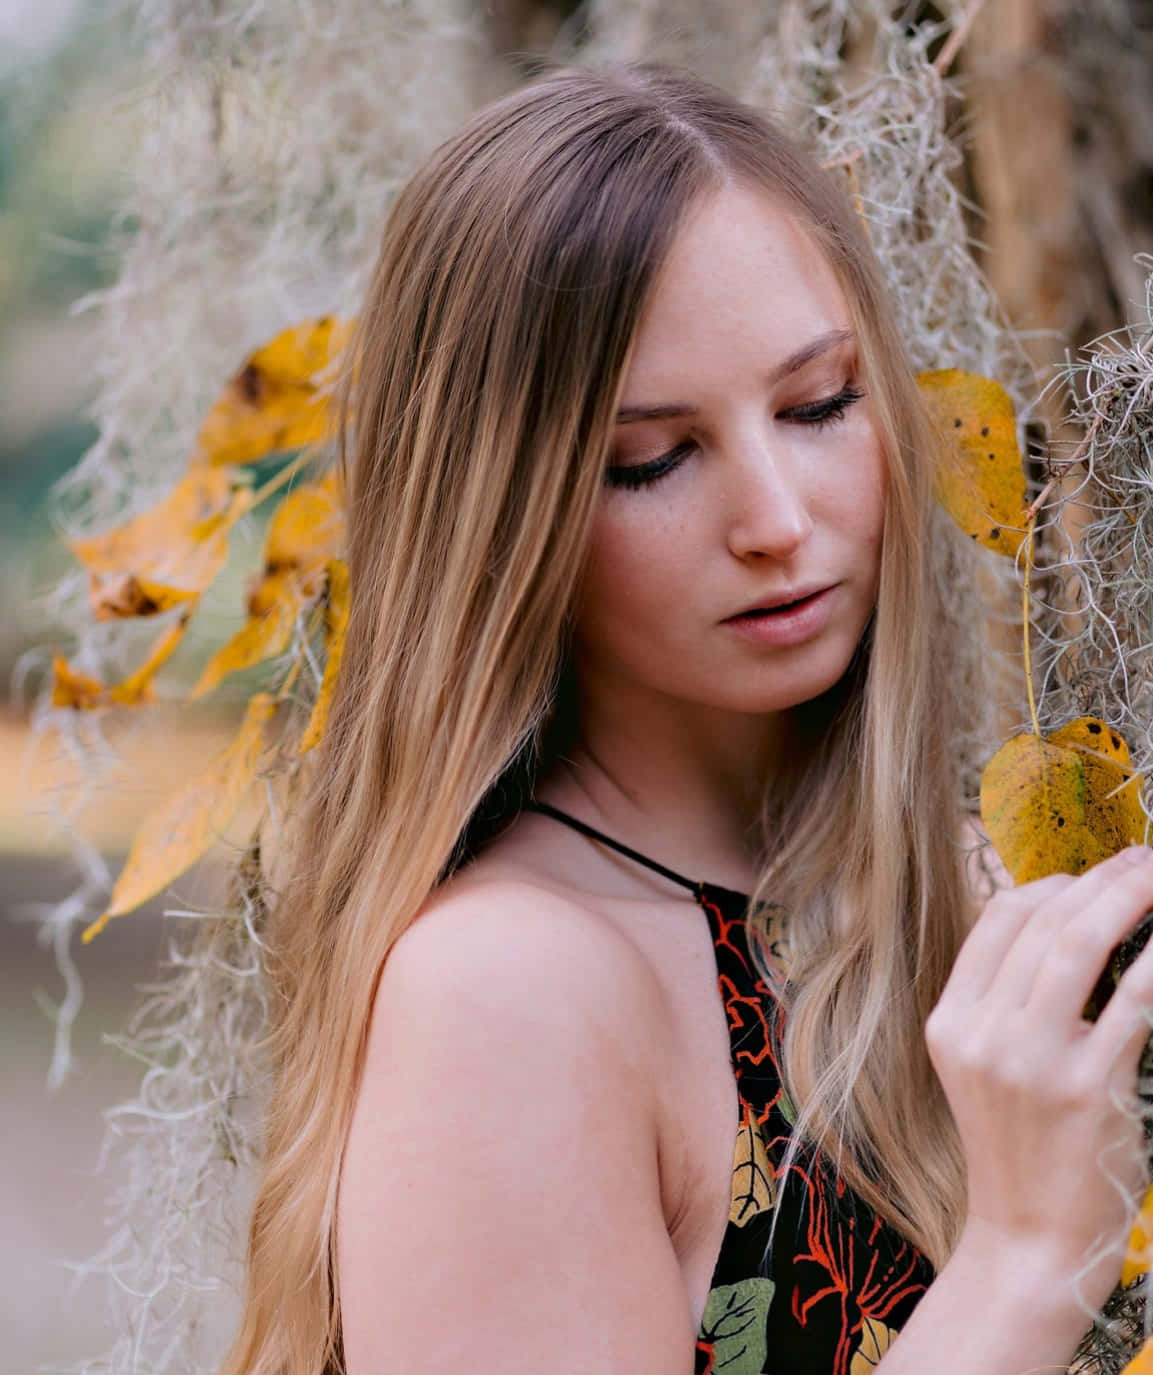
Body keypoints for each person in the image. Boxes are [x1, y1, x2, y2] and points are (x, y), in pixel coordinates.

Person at [220, 61, 1153, 1375]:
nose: (777, 521)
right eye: (648, 459)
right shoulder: (509, 993)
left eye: (819, 404)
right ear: (500, 517)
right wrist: (1021, 1258)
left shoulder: (963, 890)